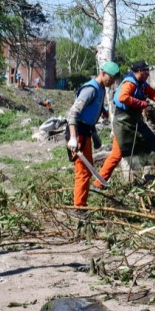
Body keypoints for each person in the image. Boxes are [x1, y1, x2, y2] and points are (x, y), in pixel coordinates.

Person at [97, 61, 155, 185]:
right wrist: (141, 103)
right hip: (123, 122)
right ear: (140, 72)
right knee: (117, 154)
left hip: (136, 121)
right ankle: (98, 183)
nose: (148, 73)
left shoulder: (142, 84)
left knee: (153, 144)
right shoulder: (129, 83)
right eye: (146, 71)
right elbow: (122, 97)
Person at [66, 62, 120, 208]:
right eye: (111, 77)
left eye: (115, 79)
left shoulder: (102, 89)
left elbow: (94, 109)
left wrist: (95, 132)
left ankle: (81, 204)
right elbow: (73, 113)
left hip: (86, 131)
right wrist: (72, 137)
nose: (113, 81)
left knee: (87, 171)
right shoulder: (90, 89)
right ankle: (79, 208)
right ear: (103, 73)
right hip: (77, 133)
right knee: (83, 171)